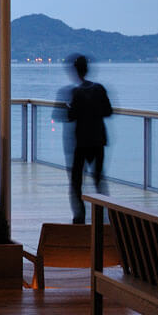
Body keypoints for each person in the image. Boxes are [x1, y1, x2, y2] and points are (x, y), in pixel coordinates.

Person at [62, 54, 113, 223]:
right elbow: (108, 111)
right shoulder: (99, 89)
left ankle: (80, 216)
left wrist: (69, 107)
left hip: (82, 142)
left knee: (77, 182)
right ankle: (103, 216)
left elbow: (71, 116)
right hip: (98, 140)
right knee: (98, 179)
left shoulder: (76, 93)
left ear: (76, 71)